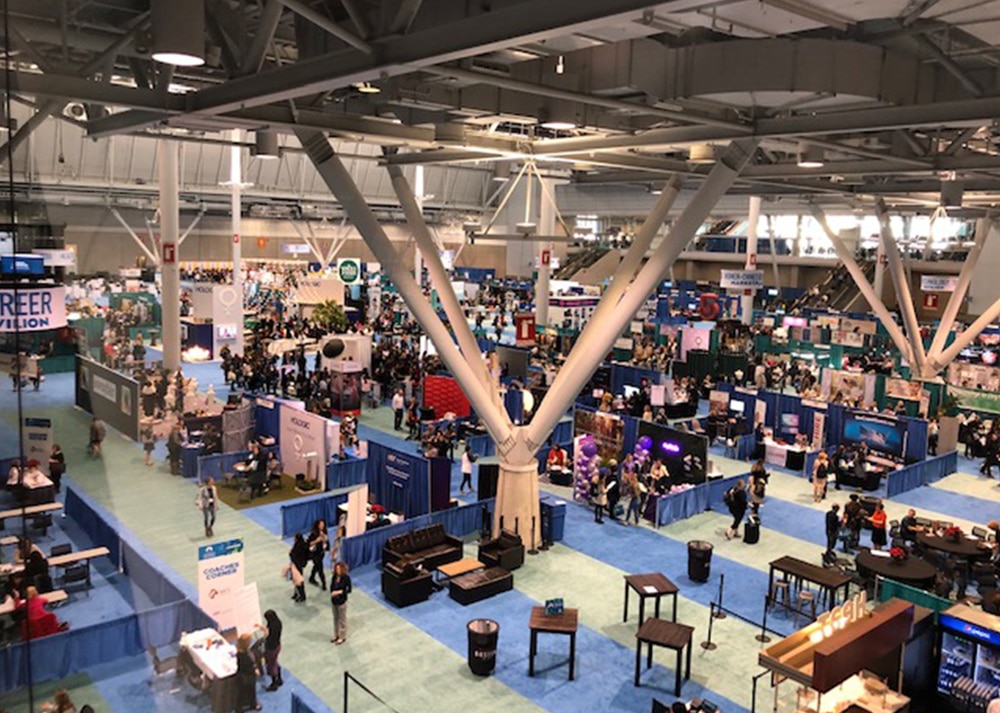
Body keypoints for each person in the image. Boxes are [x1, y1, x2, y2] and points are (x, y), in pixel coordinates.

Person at [235, 633, 260, 712]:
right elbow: (250, 666)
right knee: (251, 692)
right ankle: (253, 705)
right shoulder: (246, 655)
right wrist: (255, 670)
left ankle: (239, 708)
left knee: (241, 692)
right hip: (249, 677)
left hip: (240, 676)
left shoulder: (238, 653)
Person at [330, 561, 352, 644]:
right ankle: (336, 635)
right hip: (334, 601)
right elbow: (331, 586)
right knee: (335, 619)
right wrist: (332, 593)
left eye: (339, 569)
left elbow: (349, 589)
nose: (337, 570)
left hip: (342, 602)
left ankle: (342, 636)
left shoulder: (346, 578)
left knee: (342, 620)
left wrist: (339, 592)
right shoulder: (334, 577)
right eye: (336, 569)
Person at [263, 609, 283, 692]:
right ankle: (280, 679)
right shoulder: (278, 623)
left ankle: (274, 684)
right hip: (277, 645)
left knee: (271, 665)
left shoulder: (271, 627)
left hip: (271, 648)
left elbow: (266, 636)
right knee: (275, 662)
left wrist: (264, 630)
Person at [307, 519, 329, 589]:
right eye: (320, 525)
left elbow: (327, 542)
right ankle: (324, 583)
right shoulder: (314, 533)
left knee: (316, 566)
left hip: (321, 553)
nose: (322, 526)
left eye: (323, 525)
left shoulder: (324, 532)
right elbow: (309, 543)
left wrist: (326, 541)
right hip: (315, 554)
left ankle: (311, 578)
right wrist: (316, 541)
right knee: (320, 568)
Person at [289, 533, 309, 603]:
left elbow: (292, 555)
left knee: (298, 581)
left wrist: (290, 552)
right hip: (299, 565)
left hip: (297, 566)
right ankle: (297, 594)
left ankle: (302, 596)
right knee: (296, 581)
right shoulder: (302, 545)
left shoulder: (298, 546)